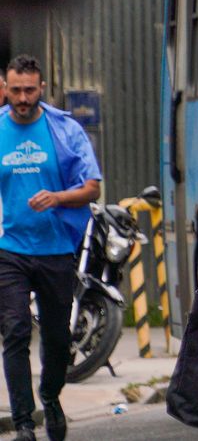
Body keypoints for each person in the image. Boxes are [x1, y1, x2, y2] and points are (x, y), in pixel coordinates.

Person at [0, 54, 102, 441]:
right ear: (5, 89)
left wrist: (58, 198)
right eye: (15, 90)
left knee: (58, 335)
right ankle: (25, 422)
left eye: (29, 90)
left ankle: (52, 397)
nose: (22, 98)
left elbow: (93, 187)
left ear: (42, 89)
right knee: (15, 331)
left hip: (56, 247)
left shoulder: (64, 130)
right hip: (8, 249)